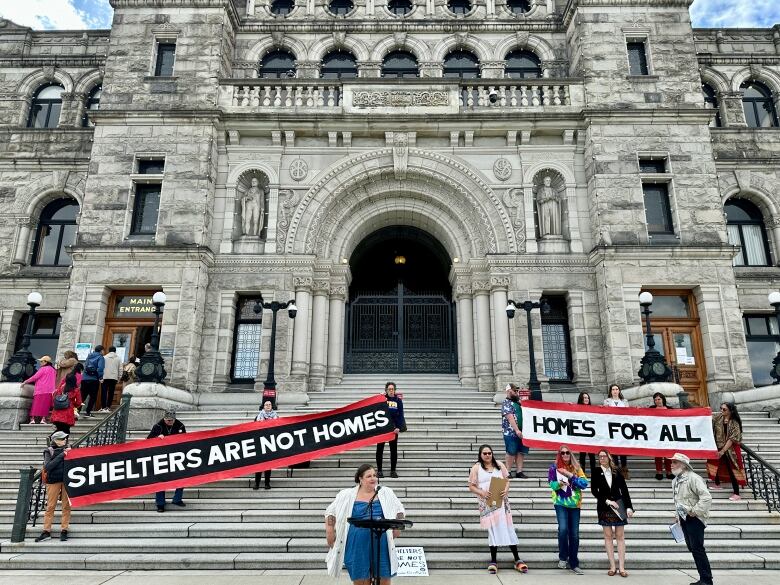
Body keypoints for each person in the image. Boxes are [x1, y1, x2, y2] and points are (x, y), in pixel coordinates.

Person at [325, 463, 406, 583]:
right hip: (357, 543)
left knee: (384, 578)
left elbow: (399, 509)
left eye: (374, 475)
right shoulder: (346, 494)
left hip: (381, 541)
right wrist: (330, 532)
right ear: (360, 479)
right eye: (369, 476)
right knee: (361, 580)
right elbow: (330, 512)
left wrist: (397, 527)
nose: (373, 478)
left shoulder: (386, 492)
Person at [468, 444, 527, 574]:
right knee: (493, 530)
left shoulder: (499, 465)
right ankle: (493, 560)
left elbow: (507, 480)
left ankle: (517, 559)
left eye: (489, 453)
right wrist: (481, 492)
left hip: (501, 503)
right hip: (487, 503)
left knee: (508, 528)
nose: (488, 455)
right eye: (485, 453)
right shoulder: (476, 468)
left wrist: (506, 490)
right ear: (480, 455)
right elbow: (471, 486)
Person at [671, 452, 713, 585]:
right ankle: (704, 578)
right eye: (672, 462)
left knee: (697, 548)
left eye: (675, 462)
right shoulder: (675, 480)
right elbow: (679, 500)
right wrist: (678, 515)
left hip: (695, 519)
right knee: (693, 548)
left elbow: (706, 497)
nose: (672, 465)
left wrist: (694, 511)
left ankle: (706, 580)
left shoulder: (694, 478)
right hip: (684, 518)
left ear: (683, 465)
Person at [591, 449, 634, 577]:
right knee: (608, 536)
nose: (602, 458)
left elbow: (624, 491)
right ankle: (612, 566)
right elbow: (594, 491)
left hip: (619, 506)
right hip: (605, 507)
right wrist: (607, 501)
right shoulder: (596, 472)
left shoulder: (617, 471)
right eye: (599, 457)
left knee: (620, 536)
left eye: (604, 456)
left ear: (609, 457)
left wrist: (629, 507)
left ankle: (621, 567)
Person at [549, 445, 588, 575]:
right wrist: (559, 484)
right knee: (563, 528)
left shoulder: (577, 468)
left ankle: (574, 562)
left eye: (567, 453)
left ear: (570, 454)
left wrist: (570, 475)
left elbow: (584, 484)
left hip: (575, 504)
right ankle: (562, 557)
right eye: (562, 453)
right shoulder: (554, 468)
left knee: (574, 534)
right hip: (560, 502)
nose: (565, 455)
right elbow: (552, 485)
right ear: (559, 454)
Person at [35, 431, 72, 542]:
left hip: (67, 481)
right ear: (55, 440)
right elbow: (47, 467)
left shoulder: (69, 450)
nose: (65, 440)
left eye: (65, 438)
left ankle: (64, 530)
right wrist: (62, 455)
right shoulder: (49, 451)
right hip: (53, 481)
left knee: (66, 506)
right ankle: (46, 531)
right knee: (50, 506)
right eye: (62, 439)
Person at [148, 410, 187, 512]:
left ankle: (177, 499)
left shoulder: (180, 426)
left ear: (174, 419)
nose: (169, 422)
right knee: (161, 480)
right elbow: (148, 441)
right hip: (161, 457)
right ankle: (160, 504)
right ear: (164, 419)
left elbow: (185, 440)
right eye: (167, 420)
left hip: (176, 456)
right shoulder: (158, 426)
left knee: (182, 477)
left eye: (171, 420)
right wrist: (157, 438)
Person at [707, 402, 746, 502]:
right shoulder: (719, 417)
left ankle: (737, 493)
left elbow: (732, 439)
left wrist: (723, 451)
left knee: (732, 469)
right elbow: (708, 418)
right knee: (716, 464)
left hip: (731, 449)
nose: (721, 411)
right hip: (719, 446)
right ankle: (717, 484)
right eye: (721, 408)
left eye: (724, 409)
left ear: (730, 411)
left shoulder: (734, 422)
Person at [376, 381, 406, 478]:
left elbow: (401, 415)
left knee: (393, 450)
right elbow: (374, 407)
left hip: (393, 429)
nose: (391, 391)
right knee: (380, 449)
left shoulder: (398, 401)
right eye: (389, 389)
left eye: (393, 389)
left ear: (395, 390)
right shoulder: (382, 399)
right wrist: (379, 396)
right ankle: (379, 471)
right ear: (386, 390)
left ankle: (393, 471)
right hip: (382, 428)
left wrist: (398, 427)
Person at [501, 384, 528, 479]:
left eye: (517, 391)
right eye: (514, 391)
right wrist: (516, 430)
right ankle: (507, 471)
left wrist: (525, 396)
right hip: (510, 432)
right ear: (508, 391)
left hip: (523, 431)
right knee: (511, 451)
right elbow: (510, 417)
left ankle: (519, 471)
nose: (516, 392)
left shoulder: (519, 402)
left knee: (521, 451)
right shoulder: (506, 402)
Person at [603, 384, 629, 479]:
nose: (615, 391)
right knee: (614, 449)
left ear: (619, 391)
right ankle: (616, 469)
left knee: (623, 450)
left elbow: (629, 413)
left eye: (616, 389)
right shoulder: (607, 401)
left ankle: (624, 470)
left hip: (623, 428)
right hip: (612, 428)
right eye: (613, 389)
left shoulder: (624, 401)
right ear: (610, 391)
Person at [24, 355, 57, 424]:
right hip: (50, 390)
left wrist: (25, 382)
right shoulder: (53, 370)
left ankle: (33, 419)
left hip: (40, 390)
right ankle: (43, 419)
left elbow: (35, 377)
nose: (40, 363)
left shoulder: (42, 369)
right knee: (45, 405)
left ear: (46, 362)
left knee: (36, 405)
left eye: (42, 361)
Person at [254, 400, 278, 490]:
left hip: (270, 443)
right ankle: (257, 483)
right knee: (259, 464)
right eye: (266, 405)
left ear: (272, 406)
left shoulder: (276, 417)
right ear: (263, 406)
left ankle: (267, 483)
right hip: (260, 443)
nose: (268, 406)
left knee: (268, 464)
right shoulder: (258, 417)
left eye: (269, 405)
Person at [650, 392, 674, 480]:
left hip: (668, 434)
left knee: (668, 454)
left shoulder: (670, 409)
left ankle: (669, 471)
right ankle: (659, 472)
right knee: (658, 454)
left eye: (659, 399)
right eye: (655, 400)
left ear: (663, 399)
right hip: (656, 434)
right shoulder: (651, 409)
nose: (657, 401)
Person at [81, 345, 105, 417]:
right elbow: (100, 368)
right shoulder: (100, 357)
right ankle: (88, 412)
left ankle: (76, 411)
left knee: (82, 396)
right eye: (103, 350)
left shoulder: (89, 356)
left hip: (84, 379)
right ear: (101, 351)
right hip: (93, 379)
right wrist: (101, 377)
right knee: (93, 397)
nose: (104, 352)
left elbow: (85, 366)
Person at [575, 392, 596, 475]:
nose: (586, 399)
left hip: (591, 436)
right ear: (581, 399)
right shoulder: (577, 409)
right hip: (582, 436)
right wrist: (570, 407)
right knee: (582, 455)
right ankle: (582, 473)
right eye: (584, 398)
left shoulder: (593, 409)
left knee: (592, 456)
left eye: (587, 398)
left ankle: (594, 473)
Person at [99, 346, 122, 412]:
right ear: (115, 351)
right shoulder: (118, 358)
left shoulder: (104, 357)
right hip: (114, 378)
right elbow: (120, 369)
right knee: (111, 393)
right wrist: (119, 378)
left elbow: (101, 367)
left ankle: (103, 407)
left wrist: (100, 377)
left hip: (105, 377)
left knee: (104, 392)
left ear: (109, 351)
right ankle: (108, 407)